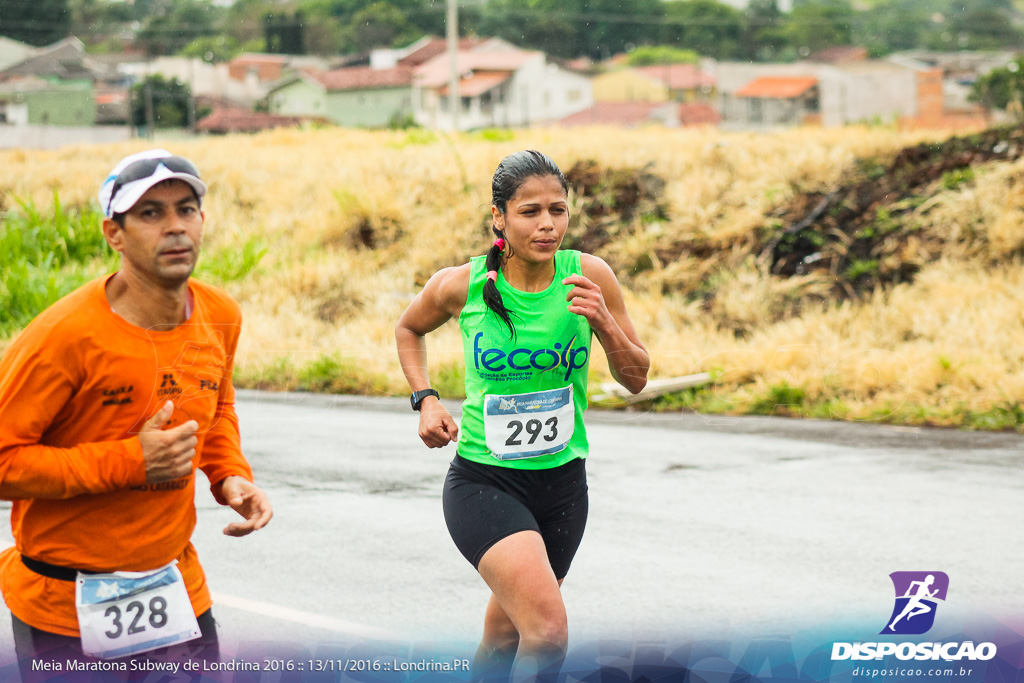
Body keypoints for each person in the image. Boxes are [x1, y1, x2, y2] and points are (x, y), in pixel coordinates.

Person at [0, 149, 273, 679]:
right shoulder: (63, 338)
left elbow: (217, 407)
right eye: (150, 213)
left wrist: (229, 474)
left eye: (185, 209)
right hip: (64, 603)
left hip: (173, 590)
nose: (174, 227)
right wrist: (131, 461)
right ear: (114, 233)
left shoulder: (220, 315)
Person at [395, 150, 649, 681]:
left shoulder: (590, 275)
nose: (547, 224)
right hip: (485, 482)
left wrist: (603, 320)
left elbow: (636, 378)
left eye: (558, 210)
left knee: (507, 632)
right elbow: (408, 329)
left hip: (563, 485)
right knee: (548, 632)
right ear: (499, 217)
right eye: (530, 211)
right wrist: (426, 398)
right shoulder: (462, 285)